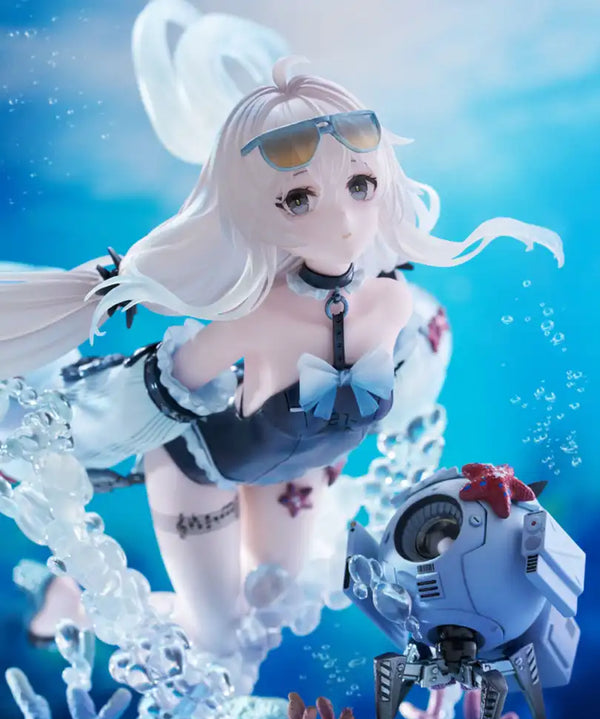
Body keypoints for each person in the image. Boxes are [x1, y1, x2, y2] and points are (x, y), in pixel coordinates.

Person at [0, 56, 563, 671]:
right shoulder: (257, 315)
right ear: (253, 209)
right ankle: (71, 606)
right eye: (299, 197)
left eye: (360, 185)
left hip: (291, 472)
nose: (342, 218)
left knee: (270, 616)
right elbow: (168, 387)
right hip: (198, 468)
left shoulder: (393, 303)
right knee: (220, 640)